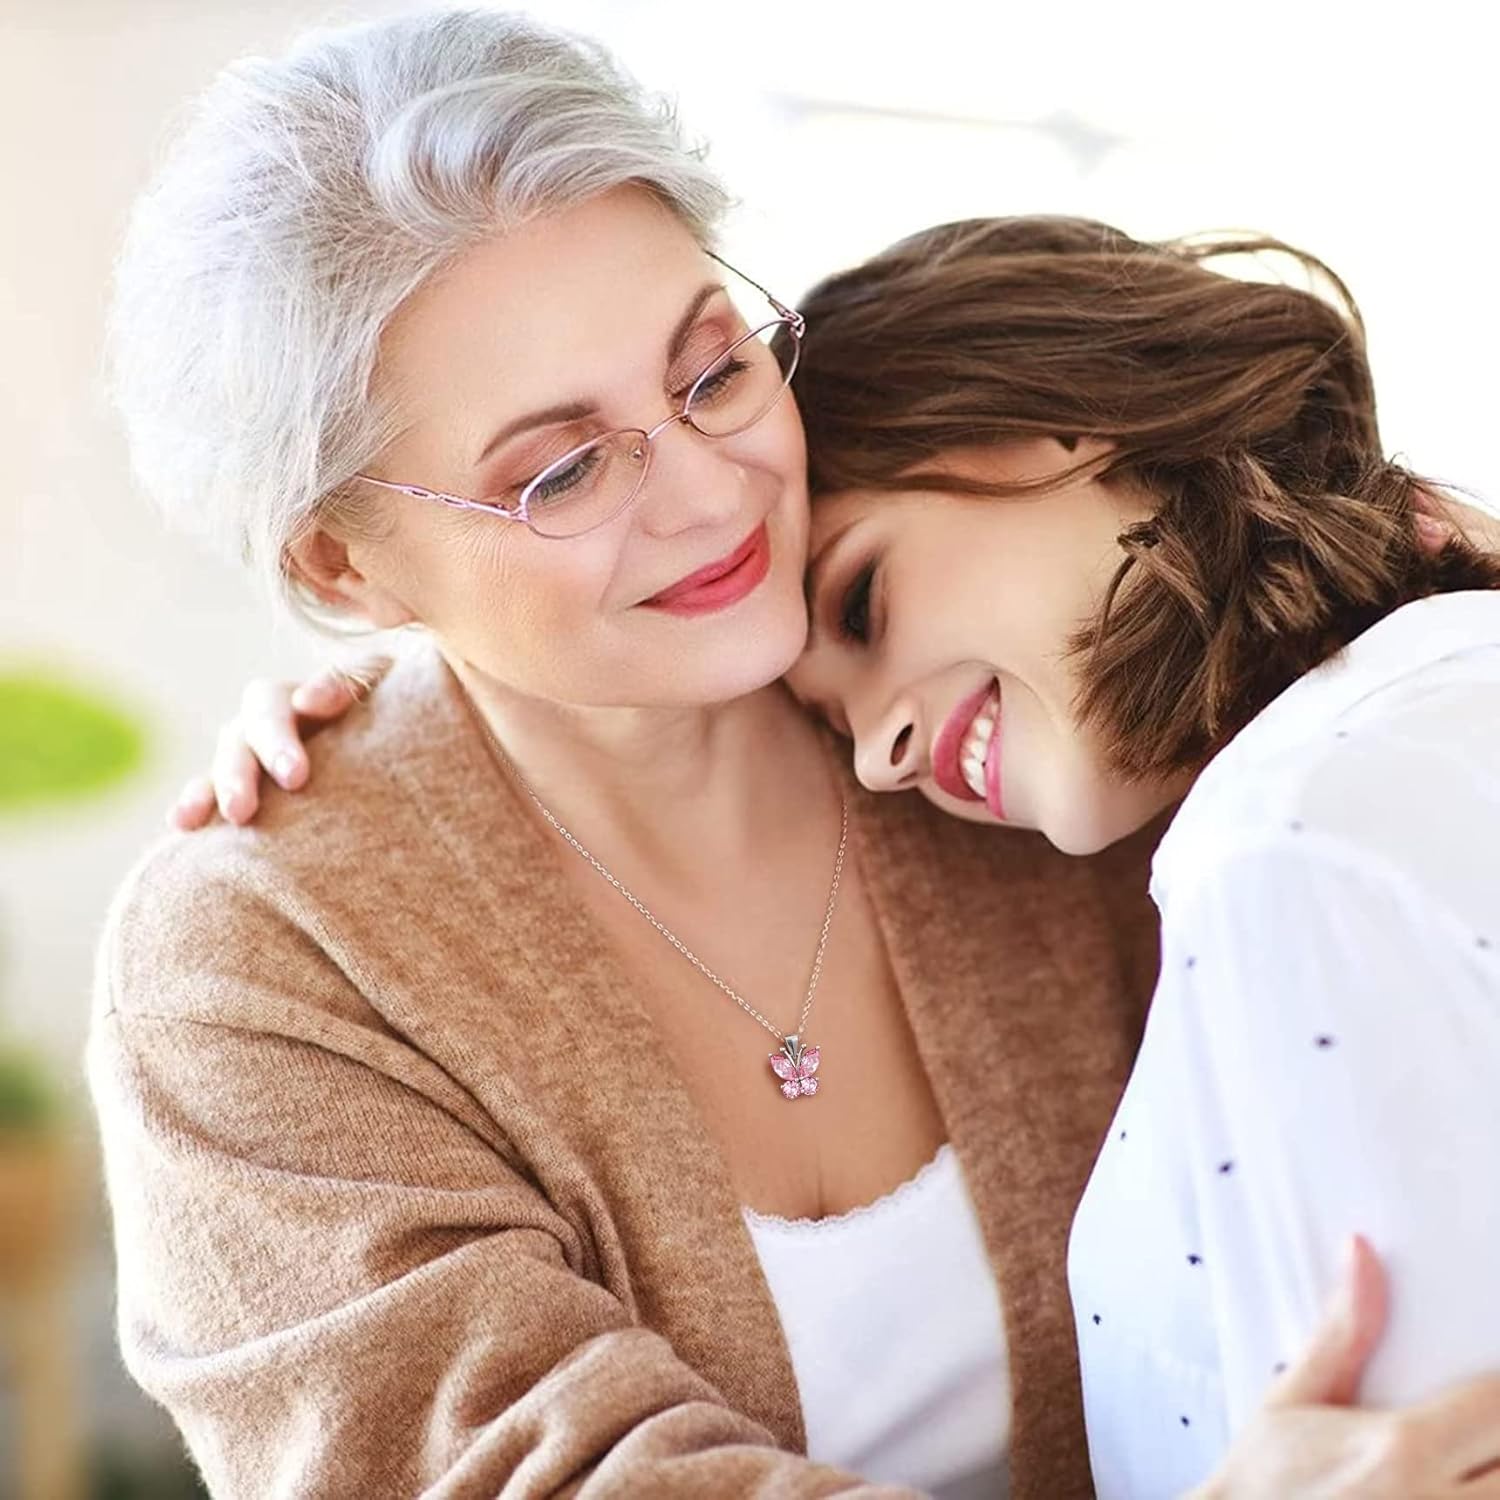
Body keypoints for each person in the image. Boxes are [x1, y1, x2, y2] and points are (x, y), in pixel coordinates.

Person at [112, 10, 1500, 1499]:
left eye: (710, 371)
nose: (714, 495)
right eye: (563, 470)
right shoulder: (264, 963)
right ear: (341, 571)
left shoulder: (1008, 725)